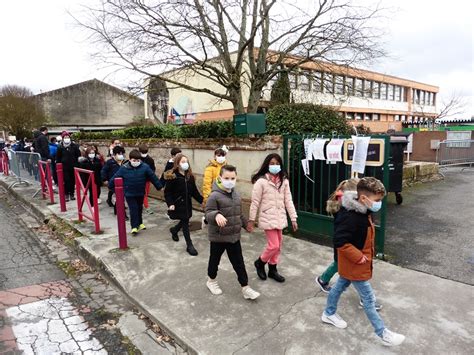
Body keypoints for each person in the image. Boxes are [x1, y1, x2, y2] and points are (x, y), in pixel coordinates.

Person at [322, 177, 405, 347]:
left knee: (339, 286)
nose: (379, 204)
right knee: (368, 298)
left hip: (354, 263)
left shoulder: (363, 210)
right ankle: (383, 333)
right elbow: (340, 241)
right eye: (378, 200)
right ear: (363, 198)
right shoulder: (351, 216)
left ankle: (328, 313)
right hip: (355, 264)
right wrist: (358, 257)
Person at [205, 165, 260, 300]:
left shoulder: (236, 194)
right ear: (220, 178)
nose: (230, 180)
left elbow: (238, 214)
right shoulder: (214, 195)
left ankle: (245, 288)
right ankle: (211, 281)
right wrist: (216, 215)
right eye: (226, 178)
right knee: (214, 261)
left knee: (239, 263)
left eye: (233, 178)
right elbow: (208, 213)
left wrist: (246, 224)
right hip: (218, 236)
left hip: (234, 237)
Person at [248, 153, 298, 283]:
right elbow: (255, 202)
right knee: (274, 245)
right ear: (267, 165)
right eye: (272, 163)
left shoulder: (284, 181)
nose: (275, 166)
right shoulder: (261, 182)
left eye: (277, 163)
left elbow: (288, 200)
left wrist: (293, 218)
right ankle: (260, 262)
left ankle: (272, 270)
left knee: (278, 246)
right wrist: (251, 220)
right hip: (267, 216)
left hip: (280, 217)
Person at [109, 149, 163, 236]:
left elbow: (152, 177)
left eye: (138, 160)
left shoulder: (145, 167)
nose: (136, 162)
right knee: (133, 209)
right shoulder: (124, 168)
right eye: (134, 160)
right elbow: (115, 177)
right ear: (130, 159)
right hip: (129, 193)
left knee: (139, 208)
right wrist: (110, 186)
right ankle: (134, 226)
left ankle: (140, 223)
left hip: (140, 192)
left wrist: (159, 186)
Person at [164, 154, 204, 256]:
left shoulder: (189, 177)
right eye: (182, 161)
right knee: (185, 222)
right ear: (177, 163)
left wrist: (202, 201)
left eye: (186, 161)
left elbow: (194, 192)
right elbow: (167, 192)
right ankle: (189, 245)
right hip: (178, 204)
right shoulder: (172, 176)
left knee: (185, 218)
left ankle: (174, 230)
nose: (185, 164)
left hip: (187, 203)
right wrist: (170, 203)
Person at [56, 131, 81, 201]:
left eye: (68, 137)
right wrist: (58, 165)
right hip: (64, 167)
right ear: (63, 138)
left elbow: (78, 155)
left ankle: (72, 194)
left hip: (73, 166)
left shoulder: (74, 146)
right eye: (65, 137)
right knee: (66, 180)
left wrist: (77, 164)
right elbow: (58, 157)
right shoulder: (60, 147)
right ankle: (66, 194)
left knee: (72, 180)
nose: (67, 138)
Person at [102, 145, 126, 210]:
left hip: (123, 183)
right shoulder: (110, 162)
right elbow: (104, 170)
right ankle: (120, 211)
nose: (121, 155)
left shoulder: (124, 162)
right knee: (118, 197)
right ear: (115, 154)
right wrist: (104, 179)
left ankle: (118, 208)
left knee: (120, 196)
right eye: (119, 154)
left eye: (122, 154)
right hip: (113, 182)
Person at [138, 144, 156, 214]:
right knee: (144, 194)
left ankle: (142, 205)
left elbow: (153, 170)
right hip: (139, 180)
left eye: (145, 152)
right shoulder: (137, 159)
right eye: (142, 152)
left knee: (145, 194)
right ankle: (146, 207)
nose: (143, 154)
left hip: (147, 180)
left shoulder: (150, 160)